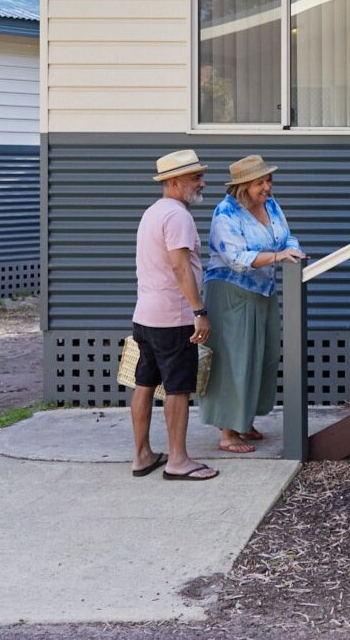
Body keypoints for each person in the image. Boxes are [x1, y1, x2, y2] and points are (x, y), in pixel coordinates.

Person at [201, 155, 306, 454]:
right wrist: (278, 256)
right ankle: (227, 431)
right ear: (243, 186)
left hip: (263, 290)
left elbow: (286, 237)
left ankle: (244, 419)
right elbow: (236, 259)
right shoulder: (226, 214)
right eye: (260, 182)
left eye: (268, 180)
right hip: (230, 292)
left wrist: (294, 251)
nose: (267, 187)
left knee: (264, 356)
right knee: (234, 359)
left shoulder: (271, 205)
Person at [130, 149, 217, 481]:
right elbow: (181, 267)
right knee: (178, 388)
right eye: (196, 178)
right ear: (175, 181)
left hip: (145, 316)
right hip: (174, 317)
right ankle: (178, 460)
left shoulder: (152, 213)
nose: (202, 183)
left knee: (144, 384)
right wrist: (199, 311)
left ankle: (141, 456)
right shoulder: (178, 216)